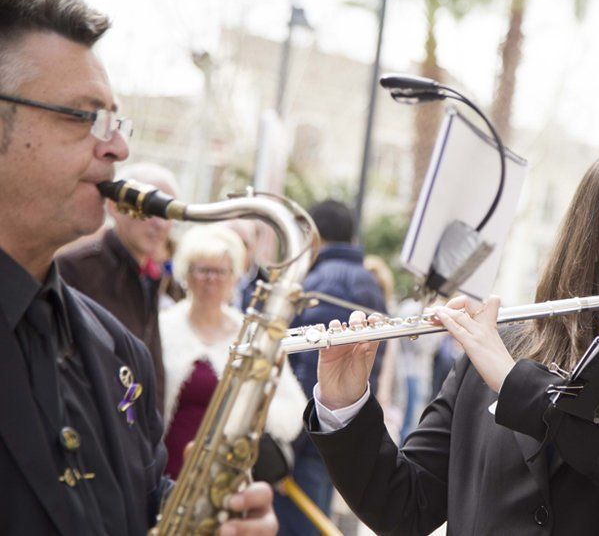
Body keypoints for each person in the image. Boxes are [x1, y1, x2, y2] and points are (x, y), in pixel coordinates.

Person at [306, 141, 599, 534]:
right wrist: (345, 407)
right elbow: (405, 508)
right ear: (591, 233)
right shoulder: (499, 346)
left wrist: (520, 388)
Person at [0, 0, 275, 533]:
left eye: (114, 123)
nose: (118, 151)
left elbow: (143, 503)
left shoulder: (118, 347)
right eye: (82, 117)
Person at [160, 225, 306, 479]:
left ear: (235, 277)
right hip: (164, 467)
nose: (212, 280)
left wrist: (253, 410)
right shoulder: (163, 327)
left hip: (227, 477)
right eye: (203, 270)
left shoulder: (252, 334)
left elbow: (292, 409)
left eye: (221, 271)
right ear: (186, 273)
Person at [279, 199, 388, 535]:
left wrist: (291, 438)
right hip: (344, 423)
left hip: (313, 430)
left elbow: (311, 364)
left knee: (302, 524)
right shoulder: (368, 281)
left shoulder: (321, 279)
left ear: (313, 234)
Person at [58, 162, 181, 411]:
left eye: (167, 213)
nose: (161, 224)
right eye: (151, 209)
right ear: (114, 206)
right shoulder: (74, 268)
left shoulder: (154, 278)